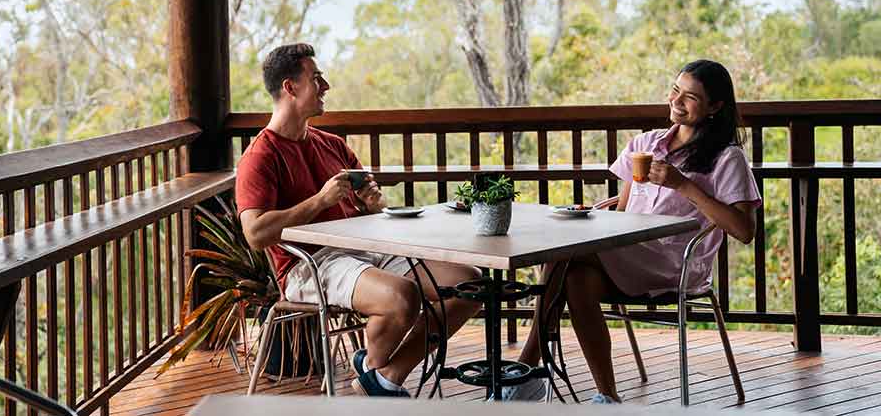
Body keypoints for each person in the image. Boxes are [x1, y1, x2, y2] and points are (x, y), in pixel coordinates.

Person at [505, 59, 761, 404]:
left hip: (678, 263)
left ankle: (527, 371)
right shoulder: (646, 144)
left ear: (716, 106)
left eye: (691, 97)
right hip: (631, 253)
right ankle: (606, 397)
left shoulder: (727, 158)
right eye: (675, 91)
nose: (677, 101)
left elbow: (744, 230)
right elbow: (623, 212)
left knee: (564, 254)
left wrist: (682, 185)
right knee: (575, 276)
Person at [236, 43, 482, 398]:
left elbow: (373, 212)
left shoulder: (332, 145)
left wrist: (373, 204)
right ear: (290, 88)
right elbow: (256, 233)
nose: (326, 86)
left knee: (469, 284)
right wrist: (320, 201)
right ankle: (377, 374)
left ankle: (383, 375)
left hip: (367, 251)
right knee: (401, 298)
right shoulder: (260, 156)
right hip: (310, 264)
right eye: (316, 78)